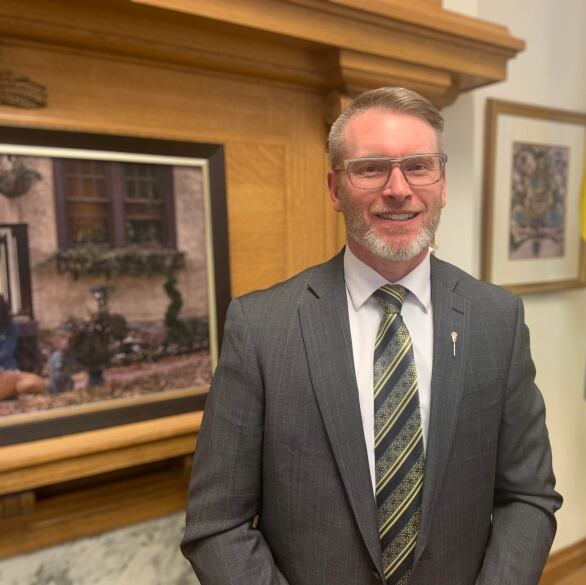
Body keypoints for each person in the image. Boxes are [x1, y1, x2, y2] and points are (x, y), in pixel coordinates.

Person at [182, 87, 562, 585]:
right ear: (335, 189)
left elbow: (528, 496)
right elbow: (217, 526)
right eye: (371, 168)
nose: (399, 188)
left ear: (442, 184)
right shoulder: (262, 328)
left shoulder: (497, 319)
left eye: (419, 166)